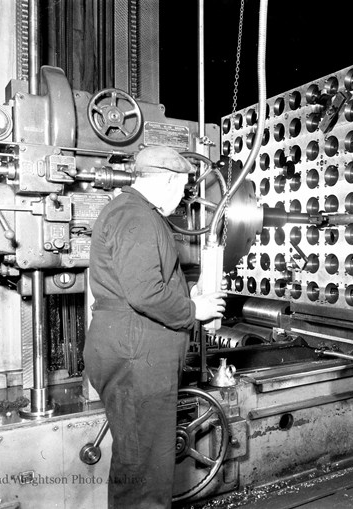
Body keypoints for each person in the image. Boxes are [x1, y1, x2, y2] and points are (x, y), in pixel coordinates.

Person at [84, 145, 227, 509]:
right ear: (168, 180)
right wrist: (194, 308)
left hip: (131, 352)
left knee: (136, 461)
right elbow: (145, 293)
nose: (183, 199)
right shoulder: (138, 217)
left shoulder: (128, 211)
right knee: (147, 475)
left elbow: (144, 282)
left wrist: (185, 291)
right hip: (137, 359)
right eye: (182, 189)